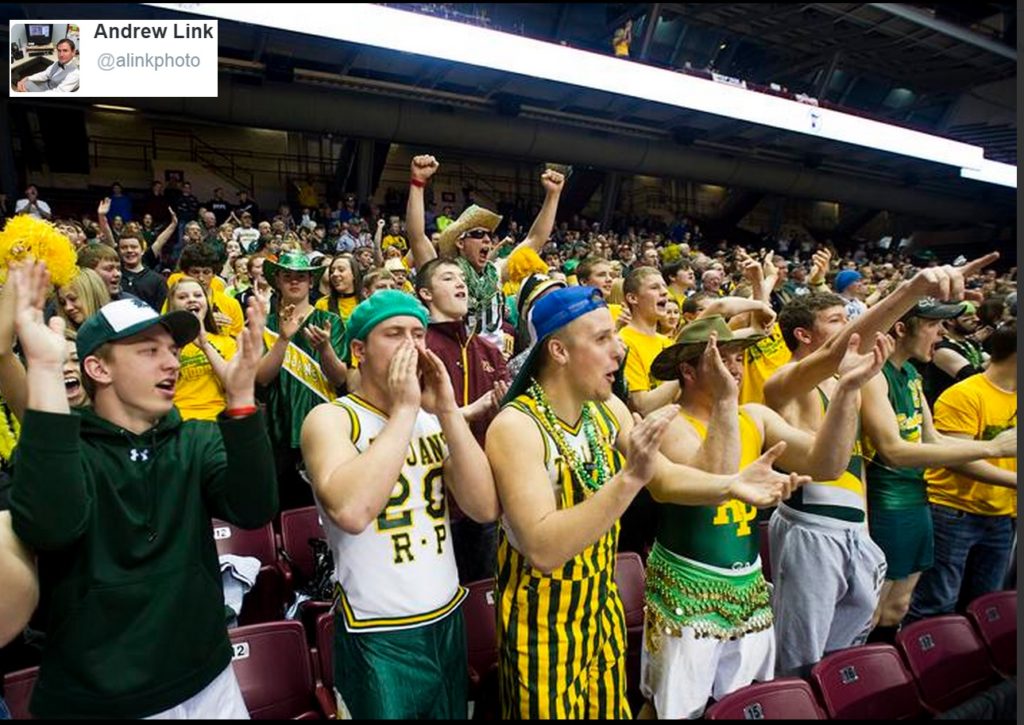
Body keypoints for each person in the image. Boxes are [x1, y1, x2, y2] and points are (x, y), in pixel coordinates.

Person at [485, 286, 805, 719]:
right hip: (542, 622)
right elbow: (544, 548)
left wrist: (731, 485)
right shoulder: (516, 426)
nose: (618, 351)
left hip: (603, 608)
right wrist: (629, 477)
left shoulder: (608, 411)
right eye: (601, 339)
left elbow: (666, 480)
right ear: (558, 351)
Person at [8, 261, 277, 718]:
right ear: (97, 367)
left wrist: (240, 400)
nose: (172, 362)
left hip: (210, 678)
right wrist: (45, 369)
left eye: (172, 350)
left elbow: (254, 509)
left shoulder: (195, 439)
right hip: (103, 701)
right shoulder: (58, 450)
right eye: (148, 351)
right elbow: (52, 529)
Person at [763, 253, 1000, 675]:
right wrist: (911, 291)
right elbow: (841, 349)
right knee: (800, 657)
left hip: (854, 527)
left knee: (845, 651)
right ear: (803, 334)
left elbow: (860, 470)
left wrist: (866, 532)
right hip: (811, 526)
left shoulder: (850, 382)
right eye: (837, 319)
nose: (850, 324)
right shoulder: (785, 380)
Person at [639, 314, 886, 718]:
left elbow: (827, 464)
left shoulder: (754, 416)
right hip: (687, 589)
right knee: (672, 708)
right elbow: (713, 487)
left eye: (738, 358)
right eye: (722, 359)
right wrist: (723, 400)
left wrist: (848, 394)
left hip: (749, 586)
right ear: (687, 370)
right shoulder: (667, 423)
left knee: (741, 704)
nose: (735, 368)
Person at [300, 291, 499, 719]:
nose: (412, 345)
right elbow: (352, 511)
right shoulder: (333, 419)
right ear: (358, 350)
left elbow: (484, 508)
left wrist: (445, 408)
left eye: (418, 334)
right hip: (377, 631)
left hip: (446, 616)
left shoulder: (431, 420)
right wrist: (406, 409)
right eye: (394, 334)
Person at [861, 299, 1017, 643]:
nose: (941, 333)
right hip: (887, 503)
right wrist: (993, 448)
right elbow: (894, 452)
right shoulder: (875, 375)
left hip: (919, 499)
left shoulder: (913, 375)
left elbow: (932, 439)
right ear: (901, 329)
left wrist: (989, 449)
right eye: (933, 325)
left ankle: (894, 680)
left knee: (899, 606)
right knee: (872, 610)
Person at [908, 322, 1017, 621]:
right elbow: (956, 458)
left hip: (1000, 514)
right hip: (954, 511)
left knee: (988, 605)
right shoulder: (965, 395)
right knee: (938, 602)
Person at [406, 155, 564, 350]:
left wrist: (553, 195)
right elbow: (417, 236)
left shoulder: (495, 272)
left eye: (489, 234)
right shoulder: (444, 274)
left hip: (493, 365)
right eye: (478, 234)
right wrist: (417, 183)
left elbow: (535, 239)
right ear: (460, 242)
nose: (487, 240)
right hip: (454, 358)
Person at [416, 258, 509, 583]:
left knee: (482, 594)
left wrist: (502, 407)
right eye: (448, 278)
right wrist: (473, 410)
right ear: (426, 294)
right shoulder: (419, 346)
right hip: (432, 500)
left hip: (483, 495)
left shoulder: (487, 350)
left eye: (461, 278)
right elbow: (409, 417)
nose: (460, 283)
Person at [256, 251, 347, 510]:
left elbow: (340, 378)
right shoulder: (267, 325)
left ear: (311, 282)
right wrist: (283, 340)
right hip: (280, 426)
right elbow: (262, 378)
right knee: (288, 508)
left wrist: (326, 349)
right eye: (287, 277)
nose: (294, 282)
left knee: (331, 505)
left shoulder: (330, 322)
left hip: (325, 427)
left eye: (301, 277)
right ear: (278, 282)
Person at [166, 277, 237, 421]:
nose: (192, 300)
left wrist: (205, 346)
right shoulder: (164, 345)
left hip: (216, 419)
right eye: (182, 297)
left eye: (198, 295)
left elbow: (233, 385)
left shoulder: (227, 342)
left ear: (207, 302)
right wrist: (180, 341)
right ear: (172, 305)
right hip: (176, 419)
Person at [618, 266, 675, 416]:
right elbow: (642, 406)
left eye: (664, 286)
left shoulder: (667, 342)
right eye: (654, 287)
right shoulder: (624, 341)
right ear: (632, 298)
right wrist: (683, 372)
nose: (664, 292)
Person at [920, 302, 989, 406]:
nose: (976, 319)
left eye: (975, 314)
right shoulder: (941, 348)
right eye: (968, 315)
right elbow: (971, 377)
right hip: (951, 409)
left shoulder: (970, 343)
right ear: (950, 320)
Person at [315, 254, 362, 324]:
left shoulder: (368, 303)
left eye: (341, 270)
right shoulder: (322, 304)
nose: (334, 274)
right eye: (332, 271)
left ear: (354, 274)